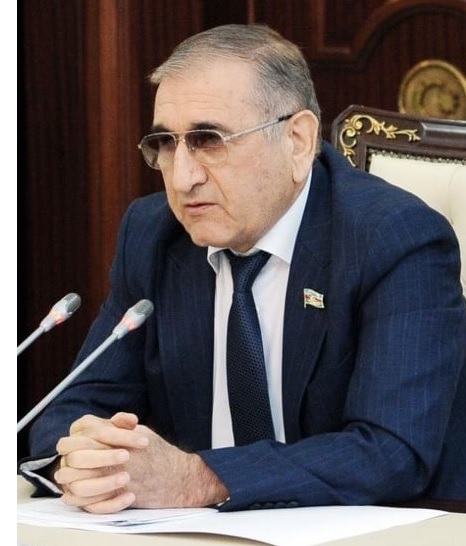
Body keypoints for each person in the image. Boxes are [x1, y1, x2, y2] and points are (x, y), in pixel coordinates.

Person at [19, 23, 466, 514]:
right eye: (166, 143)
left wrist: (200, 478)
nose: (183, 178)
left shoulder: (394, 238)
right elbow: (71, 410)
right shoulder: (153, 235)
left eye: (209, 140)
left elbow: (390, 452)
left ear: (297, 141)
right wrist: (88, 460)